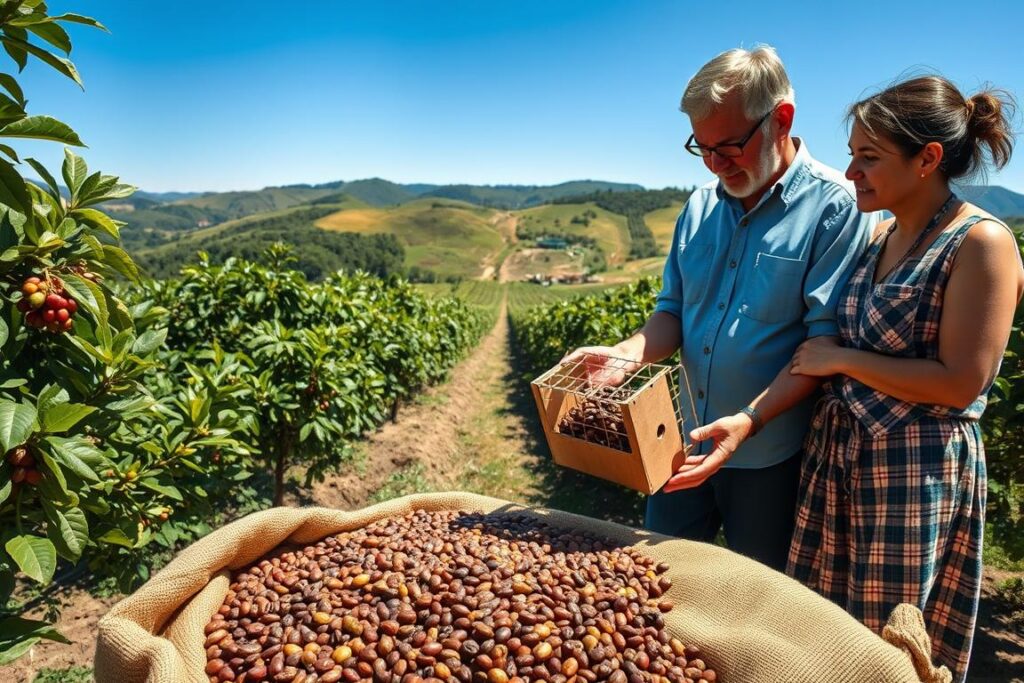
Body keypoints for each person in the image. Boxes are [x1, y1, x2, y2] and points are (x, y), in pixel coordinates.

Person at [563, 46, 876, 571]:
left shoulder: (834, 207)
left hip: (769, 453)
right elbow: (673, 311)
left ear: (781, 120)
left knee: (759, 593)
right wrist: (626, 355)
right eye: (700, 148)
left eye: (728, 146)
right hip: (679, 438)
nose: (714, 163)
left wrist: (749, 421)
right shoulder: (701, 205)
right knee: (658, 580)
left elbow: (821, 346)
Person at [785, 75, 1022, 682]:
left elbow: (960, 383)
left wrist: (839, 360)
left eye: (869, 157)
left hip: (911, 475)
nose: (852, 171)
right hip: (841, 462)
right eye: (852, 155)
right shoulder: (883, 233)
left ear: (928, 159)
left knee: (890, 649)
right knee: (823, 637)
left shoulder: (980, 243)